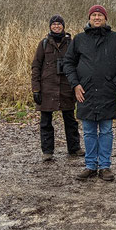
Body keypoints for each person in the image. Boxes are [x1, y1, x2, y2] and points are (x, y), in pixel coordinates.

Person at [63, 5, 116, 181]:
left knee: (106, 130)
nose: (96, 18)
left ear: (105, 19)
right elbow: (68, 63)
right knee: (88, 131)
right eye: (93, 15)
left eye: (100, 15)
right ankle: (90, 165)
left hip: (107, 92)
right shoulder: (79, 39)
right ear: (89, 18)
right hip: (85, 92)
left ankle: (105, 166)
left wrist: (115, 83)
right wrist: (75, 85)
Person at [31, 15, 84, 161]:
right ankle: (47, 151)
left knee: (70, 120)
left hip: (67, 87)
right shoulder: (44, 44)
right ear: (50, 26)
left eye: (59, 24)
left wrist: (77, 85)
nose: (56, 27)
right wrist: (36, 89)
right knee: (45, 121)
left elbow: (78, 65)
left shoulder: (71, 43)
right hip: (47, 88)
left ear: (63, 26)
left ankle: (74, 148)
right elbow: (36, 66)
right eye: (53, 24)